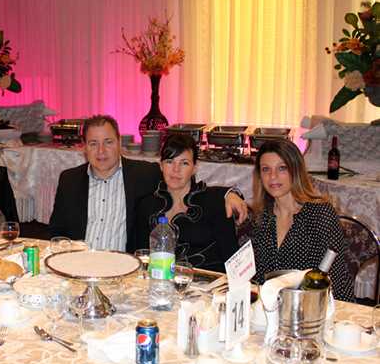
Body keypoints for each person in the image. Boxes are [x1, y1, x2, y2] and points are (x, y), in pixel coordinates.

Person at [49, 115, 248, 253]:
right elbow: (56, 234)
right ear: (84, 147)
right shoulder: (69, 180)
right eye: (93, 143)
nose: (101, 151)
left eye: (108, 142)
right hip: (79, 266)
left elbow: (185, 182)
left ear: (119, 142)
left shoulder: (144, 174)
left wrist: (229, 193)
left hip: (123, 270)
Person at [250, 139, 355, 301]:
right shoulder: (262, 216)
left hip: (316, 307)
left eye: (282, 168)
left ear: (296, 171)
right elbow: (258, 278)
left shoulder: (319, 214)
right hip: (271, 306)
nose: (272, 176)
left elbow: (336, 281)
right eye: (266, 169)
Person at [136, 134, 240, 272]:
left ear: (194, 167)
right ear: (161, 165)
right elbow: (138, 256)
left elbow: (233, 260)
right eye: (169, 161)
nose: (176, 169)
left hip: (208, 283)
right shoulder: (146, 205)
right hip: (158, 281)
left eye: (184, 163)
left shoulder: (216, 203)